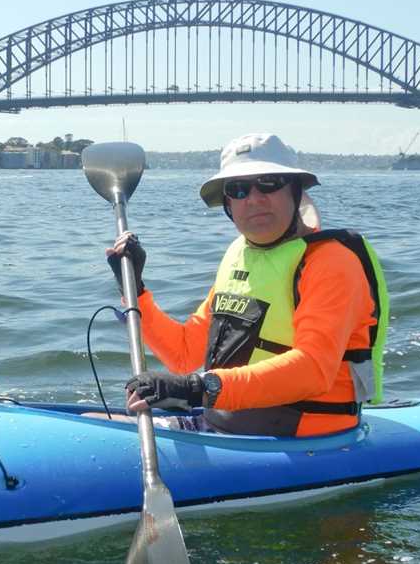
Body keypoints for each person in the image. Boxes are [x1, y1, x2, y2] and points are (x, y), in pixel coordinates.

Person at [106, 132, 388, 437]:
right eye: (238, 189)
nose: (253, 199)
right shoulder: (239, 256)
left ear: (295, 190)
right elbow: (184, 353)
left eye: (269, 183)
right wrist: (135, 289)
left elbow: (314, 369)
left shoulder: (332, 262)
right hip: (226, 427)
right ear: (227, 202)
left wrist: (199, 387)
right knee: (95, 421)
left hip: (304, 438)